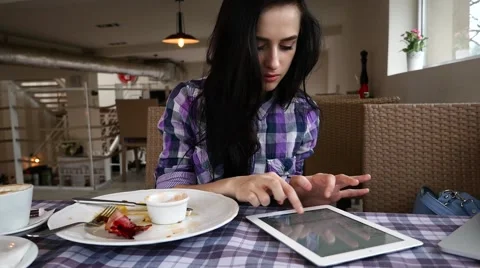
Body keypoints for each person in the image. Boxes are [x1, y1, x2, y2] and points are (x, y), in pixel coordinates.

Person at [155, 0, 371, 213]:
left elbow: (284, 200)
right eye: (258, 46)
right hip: (204, 236)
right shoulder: (189, 100)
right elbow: (166, 194)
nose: (274, 62)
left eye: (287, 46)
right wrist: (231, 186)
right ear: (232, 44)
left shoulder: (303, 112)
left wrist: (304, 196)